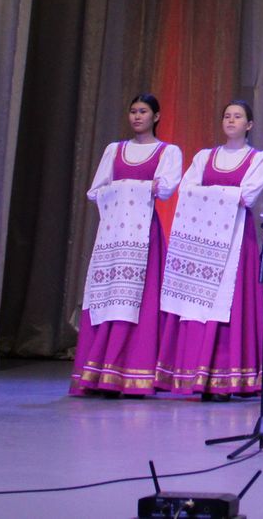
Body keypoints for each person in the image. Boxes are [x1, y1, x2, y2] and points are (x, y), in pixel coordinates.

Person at [155, 99, 263, 395]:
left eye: (238, 117)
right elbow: (187, 189)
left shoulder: (258, 159)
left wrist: (208, 194)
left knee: (229, 304)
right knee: (196, 305)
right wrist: (224, 194)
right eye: (227, 116)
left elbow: (247, 195)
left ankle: (225, 376)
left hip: (236, 239)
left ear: (249, 125)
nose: (231, 120)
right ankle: (191, 371)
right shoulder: (205, 157)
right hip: (201, 242)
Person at [71, 95, 184, 395]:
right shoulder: (115, 150)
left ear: (156, 116)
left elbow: (166, 189)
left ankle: (132, 372)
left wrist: (131, 187)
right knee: (108, 296)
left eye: (143, 111)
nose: (137, 116)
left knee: (139, 302)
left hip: (144, 235)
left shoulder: (167, 152)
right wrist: (139, 186)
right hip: (113, 235)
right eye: (133, 111)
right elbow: (95, 191)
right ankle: (99, 371)